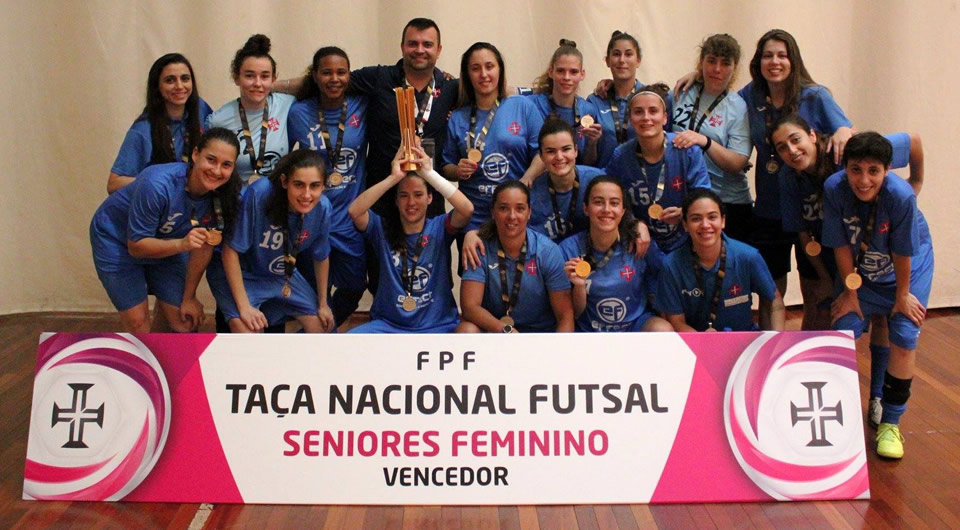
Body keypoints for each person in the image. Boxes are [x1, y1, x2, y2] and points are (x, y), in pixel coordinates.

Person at [678, 29, 854, 298]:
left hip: (815, 208)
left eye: (782, 55)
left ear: (793, 60)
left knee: (817, 286)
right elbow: (721, 90)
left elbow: (845, 131)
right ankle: (775, 340)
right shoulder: (751, 96)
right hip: (771, 205)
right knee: (771, 289)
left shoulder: (815, 96)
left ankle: (813, 338)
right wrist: (697, 75)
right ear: (757, 63)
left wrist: (844, 130)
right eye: (768, 56)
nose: (775, 62)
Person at [822, 132, 934, 460]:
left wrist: (902, 295)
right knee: (844, 325)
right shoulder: (833, 188)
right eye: (856, 170)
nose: (864, 179)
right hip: (863, 268)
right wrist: (850, 291)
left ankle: (891, 423)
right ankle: (837, 414)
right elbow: (840, 243)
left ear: (887, 170)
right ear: (844, 167)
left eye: (874, 171)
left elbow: (903, 252)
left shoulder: (900, 197)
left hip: (908, 269)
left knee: (903, 332)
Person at [772, 114, 922, 333]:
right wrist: (824, 277)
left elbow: (913, 141)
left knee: (881, 317)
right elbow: (803, 233)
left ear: (812, 135)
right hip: (825, 249)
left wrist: (916, 182)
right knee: (820, 305)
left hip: (864, 243)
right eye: (782, 147)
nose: (792, 150)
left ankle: (879, 365)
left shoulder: (843, 151)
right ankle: (814, 363)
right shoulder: (787, 178)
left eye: (796, 140)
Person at [90, 128, 241, 333]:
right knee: (137, 321)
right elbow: (137, 247)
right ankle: (144, 362)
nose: (216, 171)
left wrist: (189, 297)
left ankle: (163, 356)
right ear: (196, 154)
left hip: (168, 241)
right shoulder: (157, 184)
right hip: (117, 239)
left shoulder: (225, 196)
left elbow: (205, 246)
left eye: (226, 165)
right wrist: (182, 244)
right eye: (211, 159)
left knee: (185, 320)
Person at [347, 145, 473, 333]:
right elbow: (354, 211)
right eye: (404, 196)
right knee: (352, 340)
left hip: (437, 325)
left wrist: (429, 174)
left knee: (469, 332)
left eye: (418, 195)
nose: (411, 202)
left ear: (430, 198)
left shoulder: (439, 227)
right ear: (396, 201)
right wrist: (393, 178)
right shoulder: (382, 228)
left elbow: (467, 209)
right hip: (389, 326)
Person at [208, 150, 335, 333]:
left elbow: (321, 256)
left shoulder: (322, 208)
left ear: (323, 186)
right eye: (299, 185)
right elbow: (230, 251)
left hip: (282, 274)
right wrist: (244, 307)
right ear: (284, 182)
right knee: (247, 331)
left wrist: (323, 303)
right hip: (245, 273)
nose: (306, 195)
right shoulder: (260, 194)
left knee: (321, 326)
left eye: (314, 186)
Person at [287, 46, 369, 327]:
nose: (334, 78)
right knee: (312, 295)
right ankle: (318, 343)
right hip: (311, 218)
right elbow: (285, 165)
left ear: (350, 75)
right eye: (326, 72)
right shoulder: (298, 112)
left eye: (341, 72)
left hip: (349, 218)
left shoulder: (362, 105)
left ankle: (318, 337)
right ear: (315, 76)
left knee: (355, 286)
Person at [442, 42, 543, 232]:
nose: (484, 74)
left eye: (489, 66)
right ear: (467, 75)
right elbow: (446, 166)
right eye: (475, 68)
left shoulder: (523, 106)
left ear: (500, 70)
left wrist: (528, 177)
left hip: (515, 215)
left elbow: (543, 153)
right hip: (474, 220)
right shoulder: (457, 117)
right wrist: (457, 171)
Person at [657, 188, 785, 332]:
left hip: (743, 342)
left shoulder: (748, 256)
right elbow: (677, 322)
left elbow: (774, 300)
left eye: (712, 217)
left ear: (723, 221)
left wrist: (776, 339)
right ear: (685, 225)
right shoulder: (671, 265)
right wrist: (705, 342)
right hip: (695, 344)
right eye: (696, 218)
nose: (705, 225)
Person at [604, 83, 710, 254]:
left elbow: (704, 196)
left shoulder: (686, 150)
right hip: (642, 245)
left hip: (686, 243)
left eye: (653, 111)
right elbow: (610, 197)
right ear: (631, 119)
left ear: (665, 118)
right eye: (639, 112)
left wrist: (687, 211)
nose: (646, 117)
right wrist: (633, 223)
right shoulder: (621, 156)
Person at [457, 181, 574, 333]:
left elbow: (565, 315)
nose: (512, 216)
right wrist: (506, 330)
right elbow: (470, 308)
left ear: (529, 212)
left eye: (520, 209)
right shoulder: (478, 247)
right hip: (497, 331)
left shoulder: (547, 251)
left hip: (539, 336)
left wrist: (557, 354)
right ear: (493, 212)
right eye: (504, 208)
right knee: (466, 330)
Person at [559, 177, 672, 332]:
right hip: (589, 331)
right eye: (598, 202)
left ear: (623, 210)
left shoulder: (639, 242)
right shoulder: (568, 249)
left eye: (614, 203)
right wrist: (579, 286)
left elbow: (664, 276)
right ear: (586, 208)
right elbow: (574, 315)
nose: (606, 209)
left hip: (634, 326)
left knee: (662, 330)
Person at [670, 34, 753, 242]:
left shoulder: (737, 106)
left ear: (734, 69)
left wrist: (704, 141)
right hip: (686, 197)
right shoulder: (682, 92)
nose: (717, 69)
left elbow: (737, 162)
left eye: (725, 63)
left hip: (727, 202)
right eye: (711, 61)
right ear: (701, 62)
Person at [108, 53, 212, 194]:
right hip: (158, 205)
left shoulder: (201, 108)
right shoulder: (143, 129)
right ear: (157, 87)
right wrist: (157, 180)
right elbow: (114, 184)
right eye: (170, 80)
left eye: (185, 79)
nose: (180, 86)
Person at [207, 34, 296, 188]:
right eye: (249, 76)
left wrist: (276, 86)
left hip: (277, 201)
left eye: (265, 76)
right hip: (237, 202)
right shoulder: (219, 120)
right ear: (236, 78)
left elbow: (316, 82)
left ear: (274, 79)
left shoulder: (288, 105)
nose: (257, 83)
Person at [528, 40, 603, 167]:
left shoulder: (588, 110)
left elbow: (588, 162)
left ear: (582, 74)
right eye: (561, 71)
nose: (566, 77)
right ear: (551, 72)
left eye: (573, 72)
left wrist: (592, 143)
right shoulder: (532, 105)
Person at [527, 118, 603, 240]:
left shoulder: (598, 181)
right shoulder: (531, 194)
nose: (559, 157)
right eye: (551, 151)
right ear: (541, 156)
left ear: (576, 151)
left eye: (566, 149)